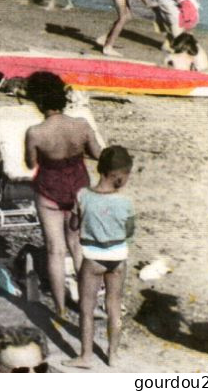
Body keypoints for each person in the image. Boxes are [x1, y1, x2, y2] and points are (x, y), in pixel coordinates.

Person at [23, 70, 102, 320]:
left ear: (38, 101)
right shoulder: (81, 125)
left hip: (49, 188)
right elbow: (99, 154)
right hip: (79, 187)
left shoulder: (35, 132)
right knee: (78, 248)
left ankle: (59, 309)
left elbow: (30, 163)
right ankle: (87, 305)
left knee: (55, 251)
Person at [69, 146, 136, 369]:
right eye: (127, 174)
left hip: (93, 258)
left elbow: (74, 224)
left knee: (87, 308)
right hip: (117, 257)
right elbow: (129, 231)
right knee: (114, 306)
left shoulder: (83, 195)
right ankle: (112, 355)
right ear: (118, 175)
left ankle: (86, 356)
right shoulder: (125, 201)